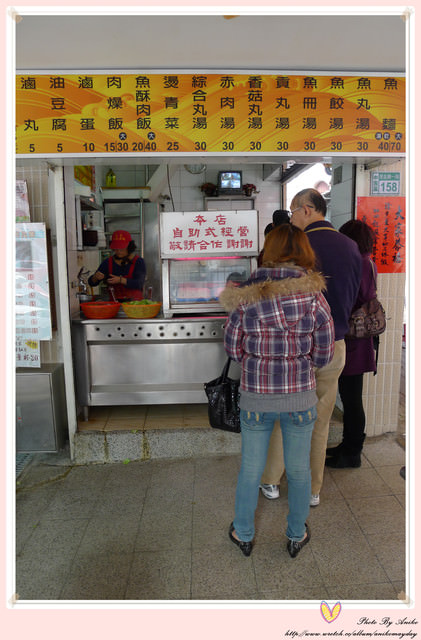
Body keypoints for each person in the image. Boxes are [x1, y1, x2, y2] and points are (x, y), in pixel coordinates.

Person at [219, 224, 335, 558]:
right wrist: (300, 362)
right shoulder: (315, 298)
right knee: (299, 470)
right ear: (304, 253)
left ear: (268, 251)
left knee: (251, 469)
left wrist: (254, 361)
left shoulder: (246, 295)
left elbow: (232, 347)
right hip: (300, 396)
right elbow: (324, 354)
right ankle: (296, 534)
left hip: (256, 396)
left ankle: (243, 533)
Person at [260, 188, 362, 507]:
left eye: (292, 212)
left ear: (306, 209)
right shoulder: (351, 247)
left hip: (299, 347)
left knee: (285, 415)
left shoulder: (300, 246)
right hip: (336, 347)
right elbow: (354, 295)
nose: (291, 219)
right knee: (319, 419)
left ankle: (272, 481)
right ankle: (314, 489)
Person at [326, 220, 377, 468]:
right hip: (360, 338)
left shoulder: (360, 262)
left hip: (354, 339)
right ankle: (348, 446)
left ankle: (353, 452)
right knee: (350, 397)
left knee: (352, 398)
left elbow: (354, 296)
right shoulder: (367, 260)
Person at [88, 229, 146, 301]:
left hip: (134, 305)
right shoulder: (107, 262)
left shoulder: (138, 262)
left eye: (121, 249)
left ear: (129, 247)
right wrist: (95, 277)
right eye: (115, 249)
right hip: (114, 305)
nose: (118, 251)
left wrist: (121, 280)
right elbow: (91, 283)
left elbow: (139, 283)